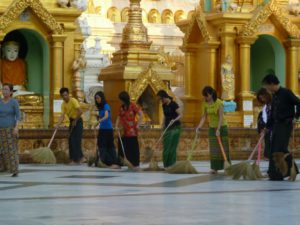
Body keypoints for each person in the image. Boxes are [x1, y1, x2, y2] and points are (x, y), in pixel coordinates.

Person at [262, 74, 300, 180]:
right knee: (275, 148)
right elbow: (272, 114)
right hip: (277, 125)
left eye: (267, 86)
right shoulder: (275, 95)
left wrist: (296, 116)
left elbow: (299, 103)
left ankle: (285, 172)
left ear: (272, 84)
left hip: (285, 124)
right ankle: (276, 173)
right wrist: (267, 126)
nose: (267, 89)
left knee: (280, 149)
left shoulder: (286, 92)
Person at [196, 86, 230, 174]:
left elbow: (221, 117)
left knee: (224, 148)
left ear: (211, 94)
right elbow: (204, 117)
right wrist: (199, 126)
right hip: (212, 127)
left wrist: (218, 129)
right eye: (204, 96)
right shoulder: (205, 103)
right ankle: (215, 168)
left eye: (206, 95)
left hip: (222, 127)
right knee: (214, 149)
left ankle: (227, 167)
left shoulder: (219, 103)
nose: (205, 97)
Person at [56, 87, 84, 164]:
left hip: (78, 121)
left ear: (68, 94)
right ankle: (75, 158)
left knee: (76, 140)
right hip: (72, 121)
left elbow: (80, 111)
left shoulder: (73, 101)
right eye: (63, 96)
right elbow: (62, 115)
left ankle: (77, 159)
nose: (65, 97)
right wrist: (58, 124)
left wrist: (75, 120)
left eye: (66, 95)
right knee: (71, 139)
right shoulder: (63, 104)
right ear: (61, 96)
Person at [115, 91, 143, 168]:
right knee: (122, 146)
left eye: (120, 99)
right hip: (123, 130)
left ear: (123, 99)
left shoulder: (133, 105)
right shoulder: (121, 107)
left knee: (132, 147)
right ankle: (121, 162)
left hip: (132, 131)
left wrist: (138, 124)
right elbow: (118, 117)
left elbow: (141, 114)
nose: (119, 101)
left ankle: (134, 163)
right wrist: (116, 125)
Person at [157, 90, 182, 168]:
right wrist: (162, 125)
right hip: (167, 127)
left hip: (175, 127)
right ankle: (166, 165)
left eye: (162, 99)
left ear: (165, 97)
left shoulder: (174, 104)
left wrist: (174, 120)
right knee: (166, 146)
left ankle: (172, 165)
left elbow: (181, 115)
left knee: (172, 147)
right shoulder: (164, 105)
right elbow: (165, 116)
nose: (161, 101)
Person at [0, 83, 21, 177]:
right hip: (1, 129)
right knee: (3, 150)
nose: (4, 91)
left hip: (10, 129)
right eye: (3, 89)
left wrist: (16, 127)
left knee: (11, 150)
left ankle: (14, 169)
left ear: (11, 92)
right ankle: (3, 168)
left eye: (6, 89)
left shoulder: (14, 102)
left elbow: (18, 116)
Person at [94, 91, 119, 168]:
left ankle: (112, 161)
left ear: (102, 97)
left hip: (108, 129)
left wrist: (98, 121)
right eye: (96, 98)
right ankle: (103, 161)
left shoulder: (106, 105)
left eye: (98, 98)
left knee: (109, 145)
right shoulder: (100, 107)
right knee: (101, 145)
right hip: (102, 129)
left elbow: (106, 116)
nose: (97, 99)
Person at [256, 88, 272, 159]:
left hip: (274, 127)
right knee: (267, 141)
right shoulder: (266, 106)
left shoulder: (273, 104)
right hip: (267, 127)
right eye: (260, 98)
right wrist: (262, 128)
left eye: (262, 97)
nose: (262, 99)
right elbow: (264, 118)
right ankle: (267, 156)